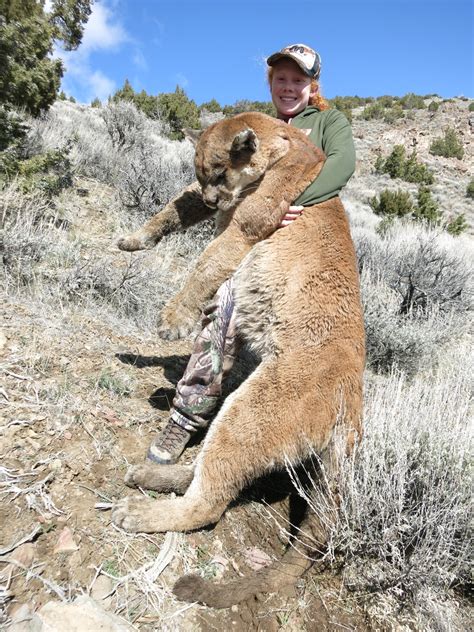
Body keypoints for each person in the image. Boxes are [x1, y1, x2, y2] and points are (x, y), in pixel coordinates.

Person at [147, 43, 356, 464]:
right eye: (281, 78)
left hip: (296, 245)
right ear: (271, 82)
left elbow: (342, 164)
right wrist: (153, 229)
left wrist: (284, 202)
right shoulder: (251, 128)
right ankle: (187, 417)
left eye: (299, 80)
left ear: (313, 85)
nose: (289, 87)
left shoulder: (328, 121)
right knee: (220, 310)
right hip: (247, 241)